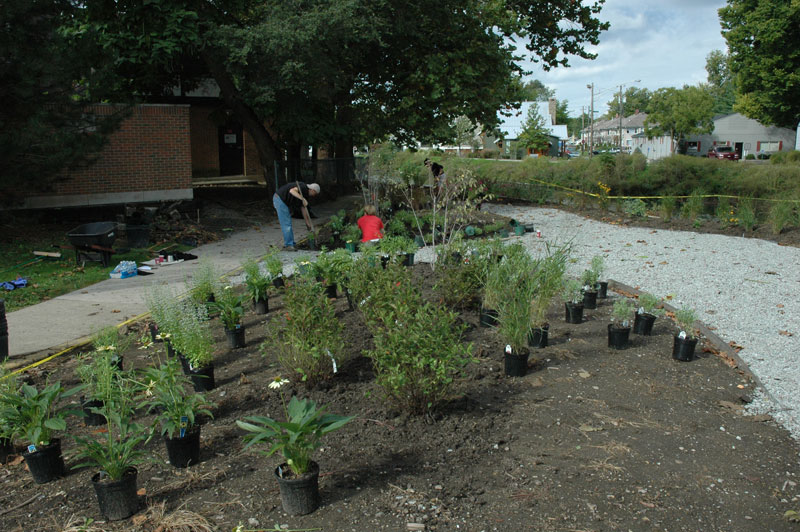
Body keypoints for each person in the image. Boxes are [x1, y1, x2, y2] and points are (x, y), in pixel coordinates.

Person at [273, 181, 320, 251]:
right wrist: (302, 198)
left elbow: (303, 208)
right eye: (315, 194)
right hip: (280, 199)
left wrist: (308, 224)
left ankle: (291, 243)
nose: (314, 196)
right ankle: (288, 245)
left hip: (283, 201)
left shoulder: (305, 194)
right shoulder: (303, 187)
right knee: (286, 223)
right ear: (312, 190)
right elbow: (292, 191)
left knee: (287, 222)